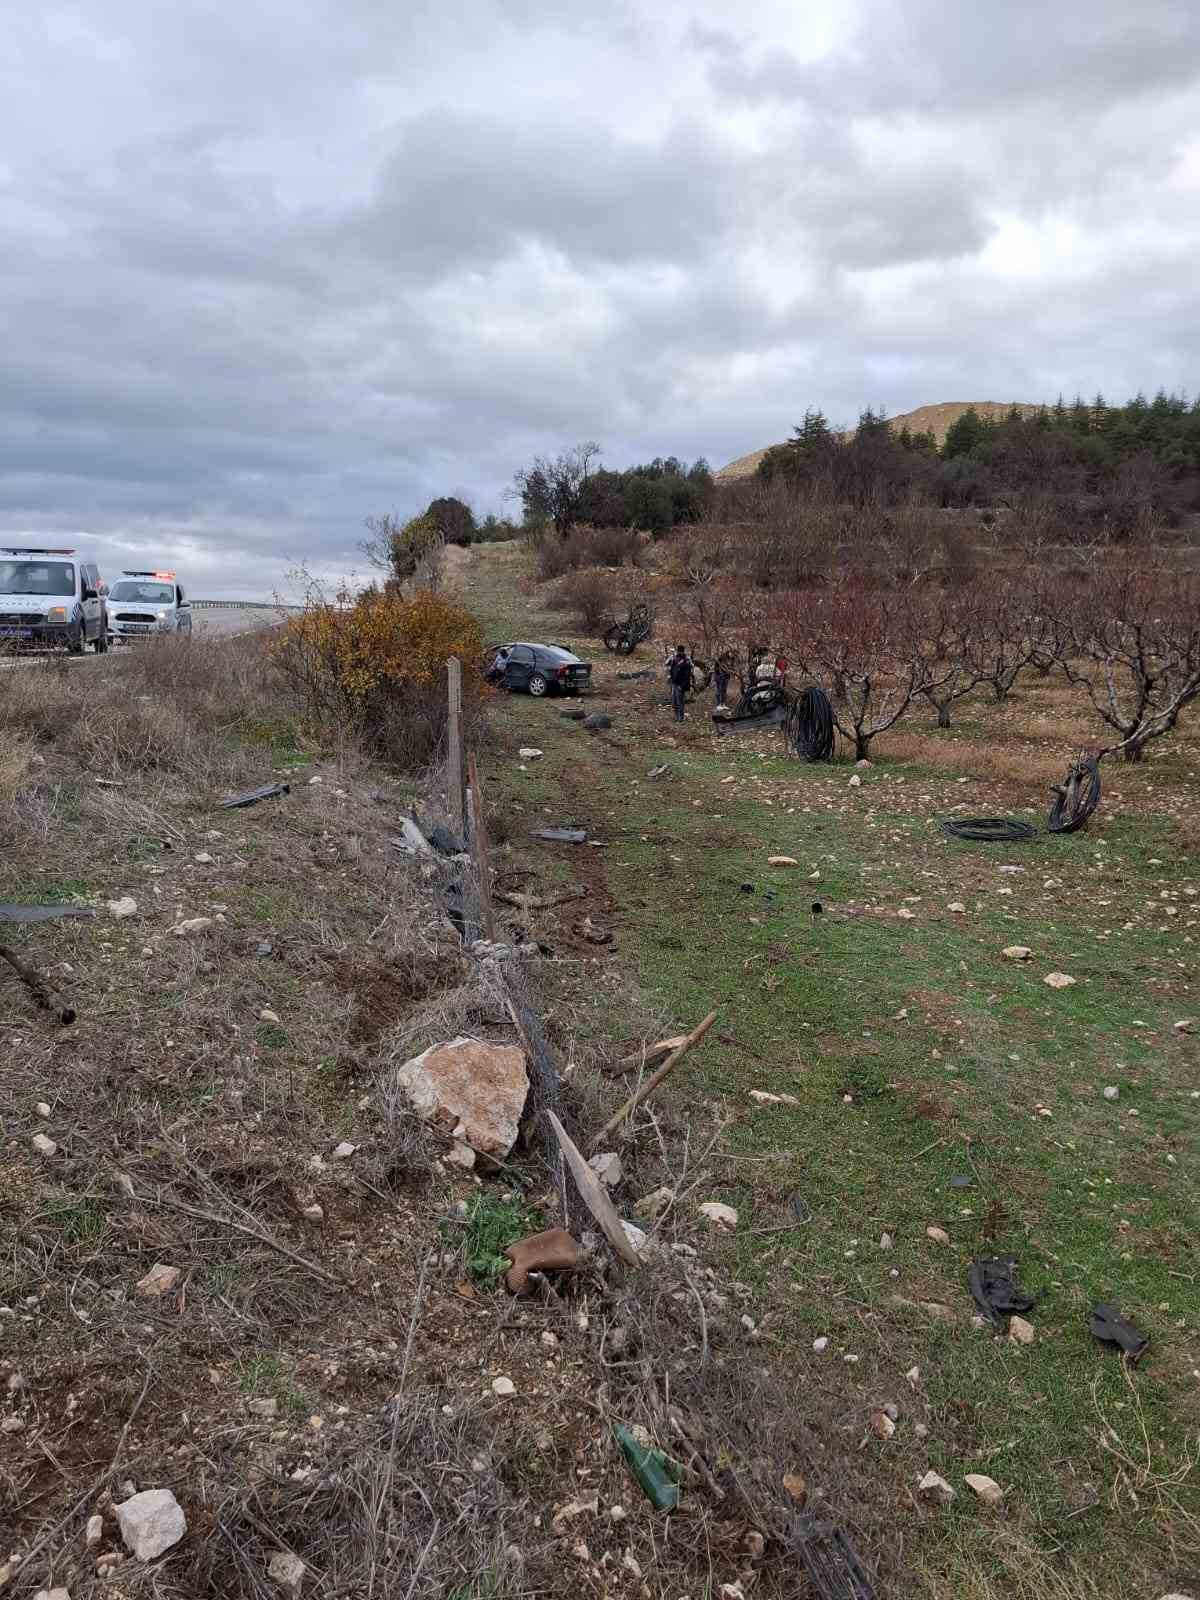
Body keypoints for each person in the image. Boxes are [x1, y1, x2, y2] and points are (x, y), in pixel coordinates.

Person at [668, 644, 693, 722]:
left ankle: (680, 718)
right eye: (678, 651)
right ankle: (676, 716)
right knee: (674, 702)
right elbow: (671, 669)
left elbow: (687, 675)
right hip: (674, 683)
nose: (679, 652)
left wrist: (682, 686)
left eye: (680, 651)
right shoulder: (675, 658)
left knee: (680, 702)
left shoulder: (686, 660)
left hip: (680, 685)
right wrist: (670, 678)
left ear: (682, 651)